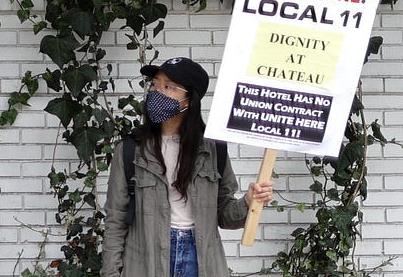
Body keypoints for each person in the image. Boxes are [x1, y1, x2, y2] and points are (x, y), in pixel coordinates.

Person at [102, 56, 274, 277]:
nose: (157, 92)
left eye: (169, 87)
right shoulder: (129, 150)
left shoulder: (213, 150)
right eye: (154, 84)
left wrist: (249, 202)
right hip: (146, 261)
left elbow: (224, 215)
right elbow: (115, 218)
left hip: (201, 261)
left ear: (189, 100)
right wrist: (110, 272)